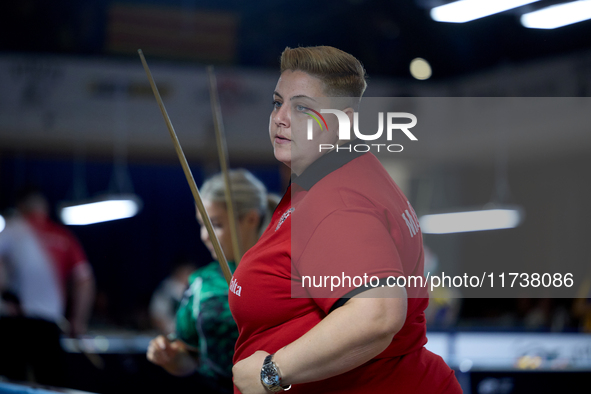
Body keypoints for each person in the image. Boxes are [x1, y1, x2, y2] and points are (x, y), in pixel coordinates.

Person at [230, 46, 462, 393]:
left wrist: (271, 372)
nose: (281, 117)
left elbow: (378, 314)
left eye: (303, 108)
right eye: (278, 102)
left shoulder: (337, 200)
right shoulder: (343, 173)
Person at [147, 169, 279, 394]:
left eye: (215, 224)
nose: (204, 236)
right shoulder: (202, 282)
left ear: (250, 219)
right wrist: (169, 355)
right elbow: (189, 356)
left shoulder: (284, 274)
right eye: (202, 225)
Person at [0, 187, 95, 385]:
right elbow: (85, 281)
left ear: (20, 207)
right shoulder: (64, 236)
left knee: (10, 385)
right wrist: (78, 321)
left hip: (13, 322)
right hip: (48, 326)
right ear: (45, 207)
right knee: (51, 386)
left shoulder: (10, 229)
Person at [149, 256, 197, 334]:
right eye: (185, 272)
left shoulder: (197, 287)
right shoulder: (166, 289)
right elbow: (156, 316)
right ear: (177, 271)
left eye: (190, 271)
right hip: (171, 335)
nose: (189, 275)